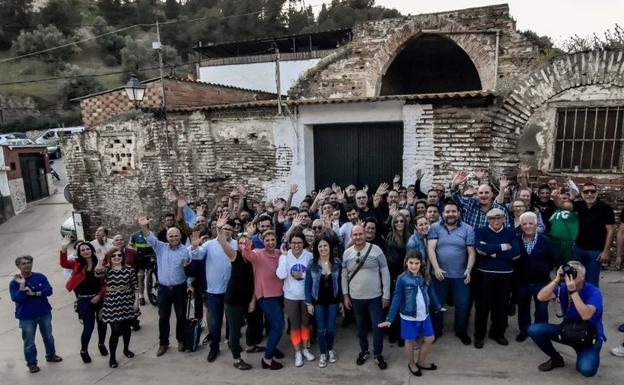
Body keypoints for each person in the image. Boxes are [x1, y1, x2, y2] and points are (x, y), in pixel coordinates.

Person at [528, 261, 605, 377]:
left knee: (586, 369)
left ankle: (586, 353)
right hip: (568, 330)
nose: (571, 275)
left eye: (575, 273)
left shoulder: (593, 291)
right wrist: (557, 279)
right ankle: (556, 359)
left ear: (583, 276)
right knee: (534, 329)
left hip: (590, 335)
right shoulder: (563, 288)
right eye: (568, 272)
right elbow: (540, 297)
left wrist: (573, 291)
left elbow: (586, 315)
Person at [378, 251, 442, 377]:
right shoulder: (402, 279)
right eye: (411, 263)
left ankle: (421, 362)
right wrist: (389, 318)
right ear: (406, 262)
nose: (414, 266)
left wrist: (438, 306)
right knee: (409, 340)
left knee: (430, 338)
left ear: (421, 263)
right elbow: (397, 298)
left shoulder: (425, 275)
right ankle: (411, 363)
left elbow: (431, 292)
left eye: (416, 263)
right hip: (409, 316)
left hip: (425, 314)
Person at [138, 213, 192, 357]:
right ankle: (163, 343)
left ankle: (181, 339)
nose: (173, 238)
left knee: (181, 316)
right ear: (167, 238)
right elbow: (150, 237)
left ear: (180, 237)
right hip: (163, 289)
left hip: (179, 289)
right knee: (163, 317)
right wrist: (144, 226)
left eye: (176, 236)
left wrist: (189, 285)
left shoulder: (185, 252)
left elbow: (189, 271)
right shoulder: (160, 247)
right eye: (171, 236)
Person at [189, 213, 238, 363]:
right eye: (224, 228)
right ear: (218, 229)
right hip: (214, 291)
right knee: (216, 322)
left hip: (231, 290)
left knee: (232, 320)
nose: (227, 231)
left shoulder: (236, 244)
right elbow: (196, 256)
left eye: (230, 229)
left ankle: (232, 343)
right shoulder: (209, 244)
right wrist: (194, 245)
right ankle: (214, 348)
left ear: (234, 231)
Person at [341, 225, 391, 370]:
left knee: (377, 326)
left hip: (375, 297)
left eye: (360, 234)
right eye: (355, 235)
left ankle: (378, 354)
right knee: (361, 327)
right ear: (352, 236)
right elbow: (344, 276)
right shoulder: (347, 253)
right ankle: (364, 351)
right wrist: (345, 295)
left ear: (365, 234)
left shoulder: (376, 250)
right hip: (355, 297)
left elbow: (385, 272)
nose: (358, 237)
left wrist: (386, 294)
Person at [427, 202, 475, 344]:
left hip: (461, 275)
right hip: (439, 274)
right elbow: (431, 249)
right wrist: (435, 268)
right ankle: (436, 330)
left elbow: (471, 252)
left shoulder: (468, 229)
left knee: (462, 304)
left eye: (454, 211)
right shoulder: (435, 227)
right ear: (443, 214)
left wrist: (468, 270)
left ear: (458, 213)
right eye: (447, 212)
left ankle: (461, 331)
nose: (451, 214)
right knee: (437, 304)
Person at [473, 208, 520, 348]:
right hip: (484, 275)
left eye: (499, 218)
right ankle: (479, 335)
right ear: (488, 220)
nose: (496, 221)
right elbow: (481, 250)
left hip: (505, 276)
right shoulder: (480, 231)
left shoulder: (511, 232)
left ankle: (497, 333)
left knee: (501, 307)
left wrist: (492, 253)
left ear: (504, 219)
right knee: (482, 307)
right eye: (492, 218)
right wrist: (503, 246)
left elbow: (516, 253)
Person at [241, 223, 285, 370]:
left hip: (279, 294)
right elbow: (246, 253)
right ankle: (267, 359)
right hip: (266, 296)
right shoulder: (258, 253)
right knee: (279, 326)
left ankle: (271, 351)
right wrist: (248, 236)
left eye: (273, 239)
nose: (270, 242)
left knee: (274, 326)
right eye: (267, 240)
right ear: (263, 241)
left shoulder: (280, 253)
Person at [10, 255, 62, 373]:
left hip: (44, 312)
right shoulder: (14, 283)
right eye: (23, 263)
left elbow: (49, 291)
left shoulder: (40, 277)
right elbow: (16, 298)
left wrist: (35, 293)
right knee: (29, 342)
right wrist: (22, 286)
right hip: (26, 316)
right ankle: (32, 363)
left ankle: (51, 355)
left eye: (29, 262)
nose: (27, 265)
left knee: (48, 336)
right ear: (18, 266)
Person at [59, 238, 108, 363]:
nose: (85, 251)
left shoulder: (101, 263)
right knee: (88, 327)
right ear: (79, 253)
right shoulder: (77, 264)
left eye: (87, 249)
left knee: (102, 324)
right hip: (84, 300)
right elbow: (64, 263)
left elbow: (105, 284)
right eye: (82, 250)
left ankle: (101, 344)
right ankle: (84, 350)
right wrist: (64, 249)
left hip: (99, 298)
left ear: (92, 250)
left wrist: (99, 296)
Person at [515, 212, 556, 342]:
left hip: (541, 282)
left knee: (542, 309)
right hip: (522, 282)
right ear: (521, 226)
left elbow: (552, 261)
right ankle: (524, 331)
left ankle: (541, 332)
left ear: (536, 224)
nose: (527, 226)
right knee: (523, 308)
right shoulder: (516, 240)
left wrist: (542, 270)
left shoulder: (546, 241)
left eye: (530, 223)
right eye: (524, 224)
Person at [96, 249, 140, 368]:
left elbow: (135, 286)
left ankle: (126, 349)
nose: (117, 257)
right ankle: (112, 357)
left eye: (119, 255)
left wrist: (136, 301)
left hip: (127, 302)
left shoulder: (129, 269)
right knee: (115, 331)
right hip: (112, 304)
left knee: (127, 329)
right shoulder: (107, 270)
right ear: (110, 257)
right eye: (113, 255)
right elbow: (97, 273)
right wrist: (100, 261)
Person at [276, 232, 315, 367]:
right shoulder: (285, 257)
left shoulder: (309, 256)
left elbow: (315, 274)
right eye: (293, 243)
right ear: (289, 244)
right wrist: (284, 257)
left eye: (299, 242)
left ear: (303, 243)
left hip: (306, 296)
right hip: (290, 296)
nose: (296, 245)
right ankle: (297, 352)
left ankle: (305, 349)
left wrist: (302, 274)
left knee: (305, 324)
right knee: (295, 325)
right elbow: (280, 275)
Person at [305, 236, 342, 368]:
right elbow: (307, 284)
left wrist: (341, 301)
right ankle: (322, 354)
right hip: (318, 301)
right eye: (320, 246)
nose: (323, 248)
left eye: (325, 245)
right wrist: (308, 303)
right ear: (316, 248)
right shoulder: (312, 263)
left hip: (333, 300)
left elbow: (340, 283)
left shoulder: (337, 262)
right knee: (321, 329)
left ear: (330, 247)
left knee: (331, 329)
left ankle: (330, 349)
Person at [572, 182, 615, 287]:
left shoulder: (606, 208)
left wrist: (606, 251)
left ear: (597, 193)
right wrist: (556, 197)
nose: (589, 194)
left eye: (592, 191)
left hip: (595, 252)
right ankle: (576, 302)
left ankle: (591, 303)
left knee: (592, 282)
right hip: (579, 249)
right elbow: (562, 205)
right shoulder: (579, 205)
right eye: (586, 191)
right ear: (582, 194)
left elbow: (611, 230)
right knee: (576, 279)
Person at [224, 234, 256, 370]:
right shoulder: (235, 256)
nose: (243, 245)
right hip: (234, 300)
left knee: (253, 324)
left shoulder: (253, 258)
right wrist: (220, 232)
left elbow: (254, 280)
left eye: (246, 242)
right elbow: (223, 244)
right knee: (235, 330)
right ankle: (237, 359)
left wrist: (252, 300)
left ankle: (250, 346)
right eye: (240, 243)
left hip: (247, 299)